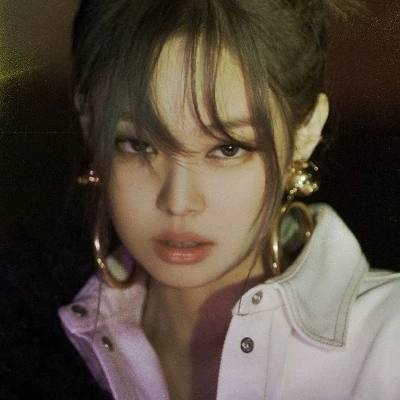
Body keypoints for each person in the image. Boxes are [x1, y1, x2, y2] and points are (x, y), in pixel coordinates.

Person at [2, 0, 400, 399]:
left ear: (305, 133)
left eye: (227, 148)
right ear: (91, 127)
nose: (178, 202)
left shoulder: (386, 344)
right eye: (138, 145)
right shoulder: (29, 344)